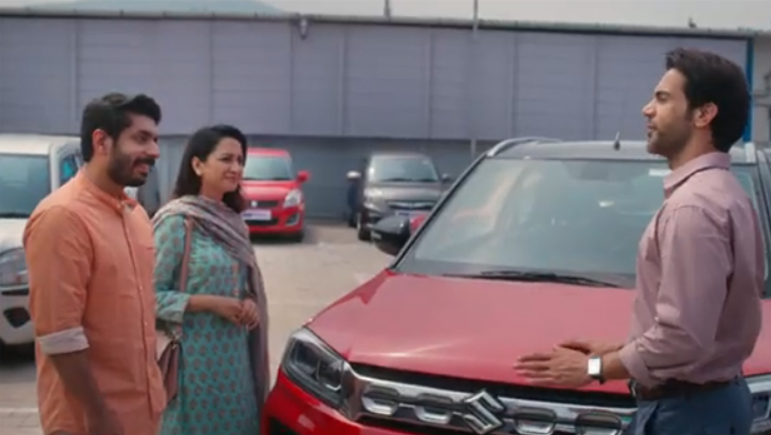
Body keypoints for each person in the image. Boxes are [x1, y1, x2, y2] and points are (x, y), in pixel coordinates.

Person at [515, 47, 762, 435]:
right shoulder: (727, 194)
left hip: (686, 414)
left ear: (703, 114)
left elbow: (683, 339)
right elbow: (703, 327)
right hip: (707, 404)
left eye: (662, 99)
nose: (647, 110)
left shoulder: (693, 208)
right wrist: (621, 350)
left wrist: (593, 368)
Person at [23, 93, 165, 435]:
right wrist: (98, 416)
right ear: (101, 141)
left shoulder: (135, 216)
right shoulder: (62, 217)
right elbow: (59, 335)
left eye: (155, 140)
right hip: (89, 421)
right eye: (141, 138)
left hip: (143, 411)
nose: (154, 151)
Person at [152, 124, 269, 435]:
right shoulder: (177, 222)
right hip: (193, 364)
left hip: (235, 364)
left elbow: (244, 285)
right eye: (226, 159)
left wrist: (250, 303)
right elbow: (147, 298)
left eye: (240, 160)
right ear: (198, 164)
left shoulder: (234, 223)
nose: (236, 168)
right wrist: (208, 303)